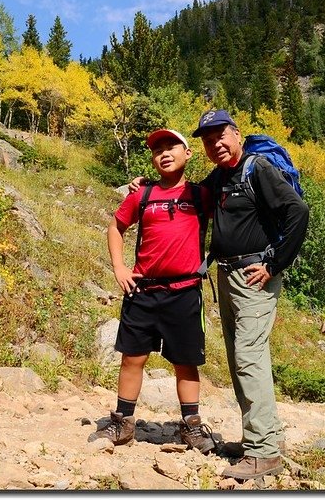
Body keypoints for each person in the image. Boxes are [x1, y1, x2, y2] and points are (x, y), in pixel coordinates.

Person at [129, 110, 309, 480]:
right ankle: (262, 439)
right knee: (241, 357)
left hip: (255, 276)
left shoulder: (257, 168)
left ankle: (264, 453)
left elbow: (298, 211)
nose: (216, 145)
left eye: (221, 137)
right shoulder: (223, 175)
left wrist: (275, 263)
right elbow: (186, 192)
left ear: (237, 134)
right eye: (209, 141)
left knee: (248, 357)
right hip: (229, 276)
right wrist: (149, 183)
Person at [87, 128, 216, 454]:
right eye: (158, 149)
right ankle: (123, 424)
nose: (165, 152)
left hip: (185, 291)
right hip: (142, 291)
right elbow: (116, 227)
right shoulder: (141, 195)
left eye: (172, 146)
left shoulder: (202, 195)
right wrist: (119, 267)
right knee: (133, 358)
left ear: (188, 154)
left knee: (186, 362)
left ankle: (192, 428)